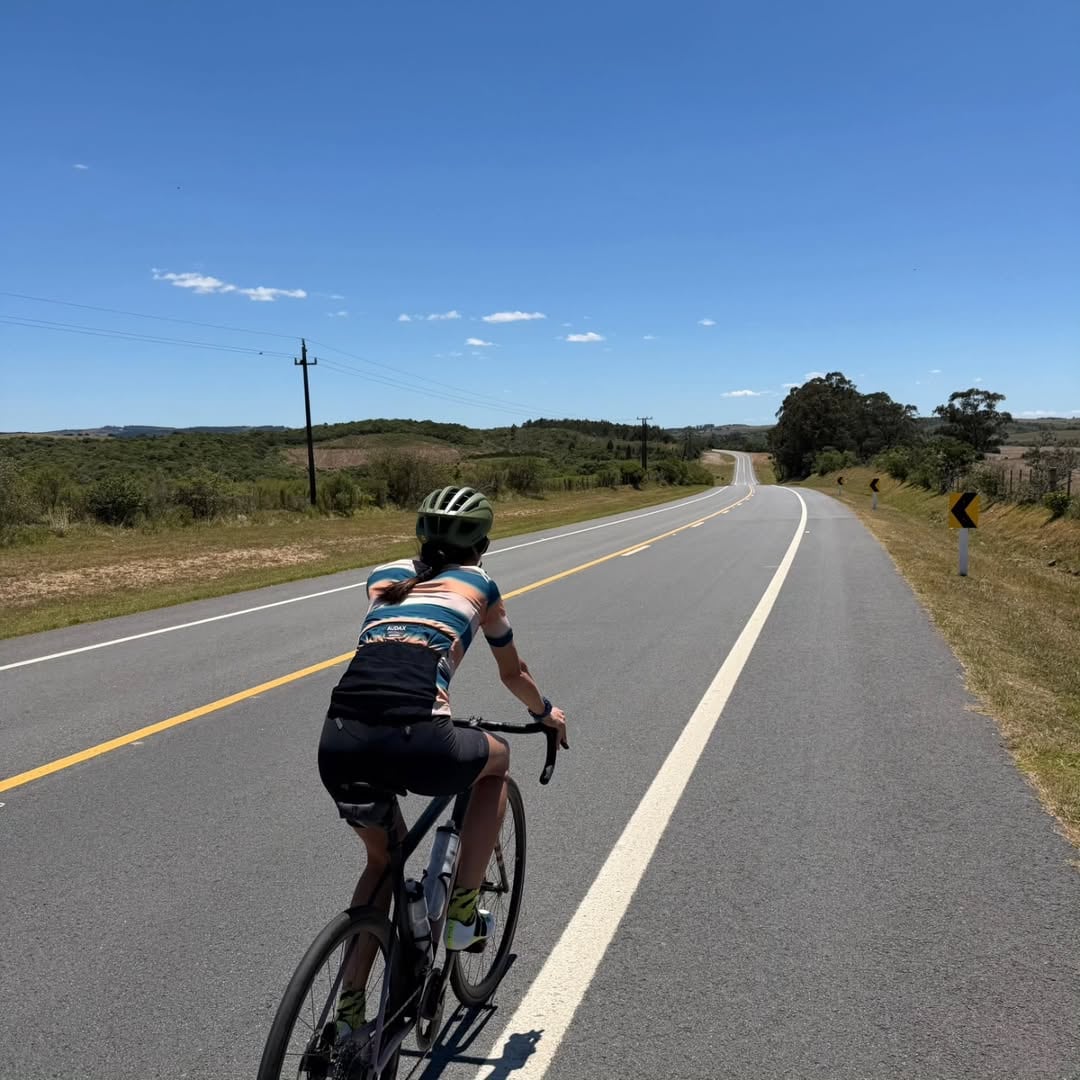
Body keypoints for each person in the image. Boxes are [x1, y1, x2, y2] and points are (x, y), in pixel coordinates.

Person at [317, 485, 568, 1036]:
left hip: (338, 741)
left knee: (382, 861)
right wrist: (547, 712)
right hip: (421, 737)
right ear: (482, 545)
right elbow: (512, 673)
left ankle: (350, 1014)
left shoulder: (382, 576)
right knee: (496, 764)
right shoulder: (481, 584)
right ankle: (462, 910)